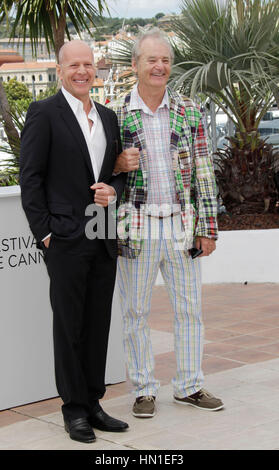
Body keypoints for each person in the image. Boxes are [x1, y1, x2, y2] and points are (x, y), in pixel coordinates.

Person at [20, 40, 128, 443]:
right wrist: (45, 233)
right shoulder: (44, 113)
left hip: (102, 231)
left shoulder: (108, 117)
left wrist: (113, 190)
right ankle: (74, 409)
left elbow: (115, 172)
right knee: (69, 326)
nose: (82, 71)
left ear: (95, 69)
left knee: (98, 322)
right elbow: (30, 178)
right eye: (74, 65)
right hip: (64, 237)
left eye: (88, 64)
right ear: (60, 69)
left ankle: (94, 402)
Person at [113, 29, 224, 418]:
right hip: (136, 227)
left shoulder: (188, 110)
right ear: (135, 66)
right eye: (151, 60)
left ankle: (190, 385)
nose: (159, 66)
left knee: (189, 309)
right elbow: (99, 172)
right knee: (135, 313)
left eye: (165, 60)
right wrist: (115, 164)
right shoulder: (116, 113)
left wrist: (208, 228)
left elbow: (204, 172)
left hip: (181, 227)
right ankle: (144, 389)